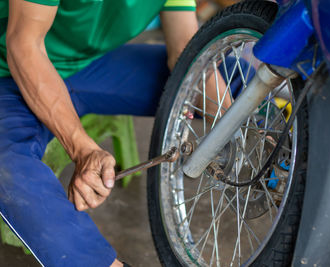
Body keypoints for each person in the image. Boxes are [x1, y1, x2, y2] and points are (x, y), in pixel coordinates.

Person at [0, 0, 199, 266]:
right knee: (9, 167)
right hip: (11, 71)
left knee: (233, 74)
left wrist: (234, 127)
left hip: (89, 65)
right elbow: (24, 44)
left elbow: (187, 52)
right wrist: (83, 148)